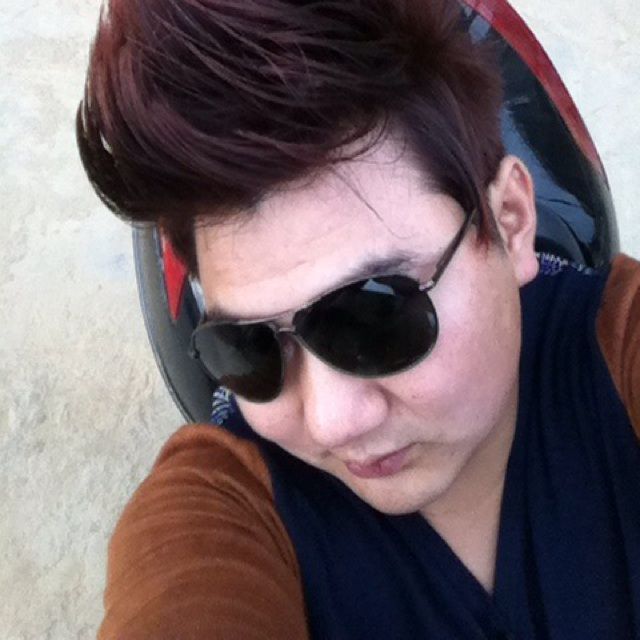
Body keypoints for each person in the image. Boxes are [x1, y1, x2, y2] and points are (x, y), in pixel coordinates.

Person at [76, 0, 640, 638]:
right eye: (248, 346)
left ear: (510, 222)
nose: (332, 422)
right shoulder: (221, 509)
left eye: (378, 314)